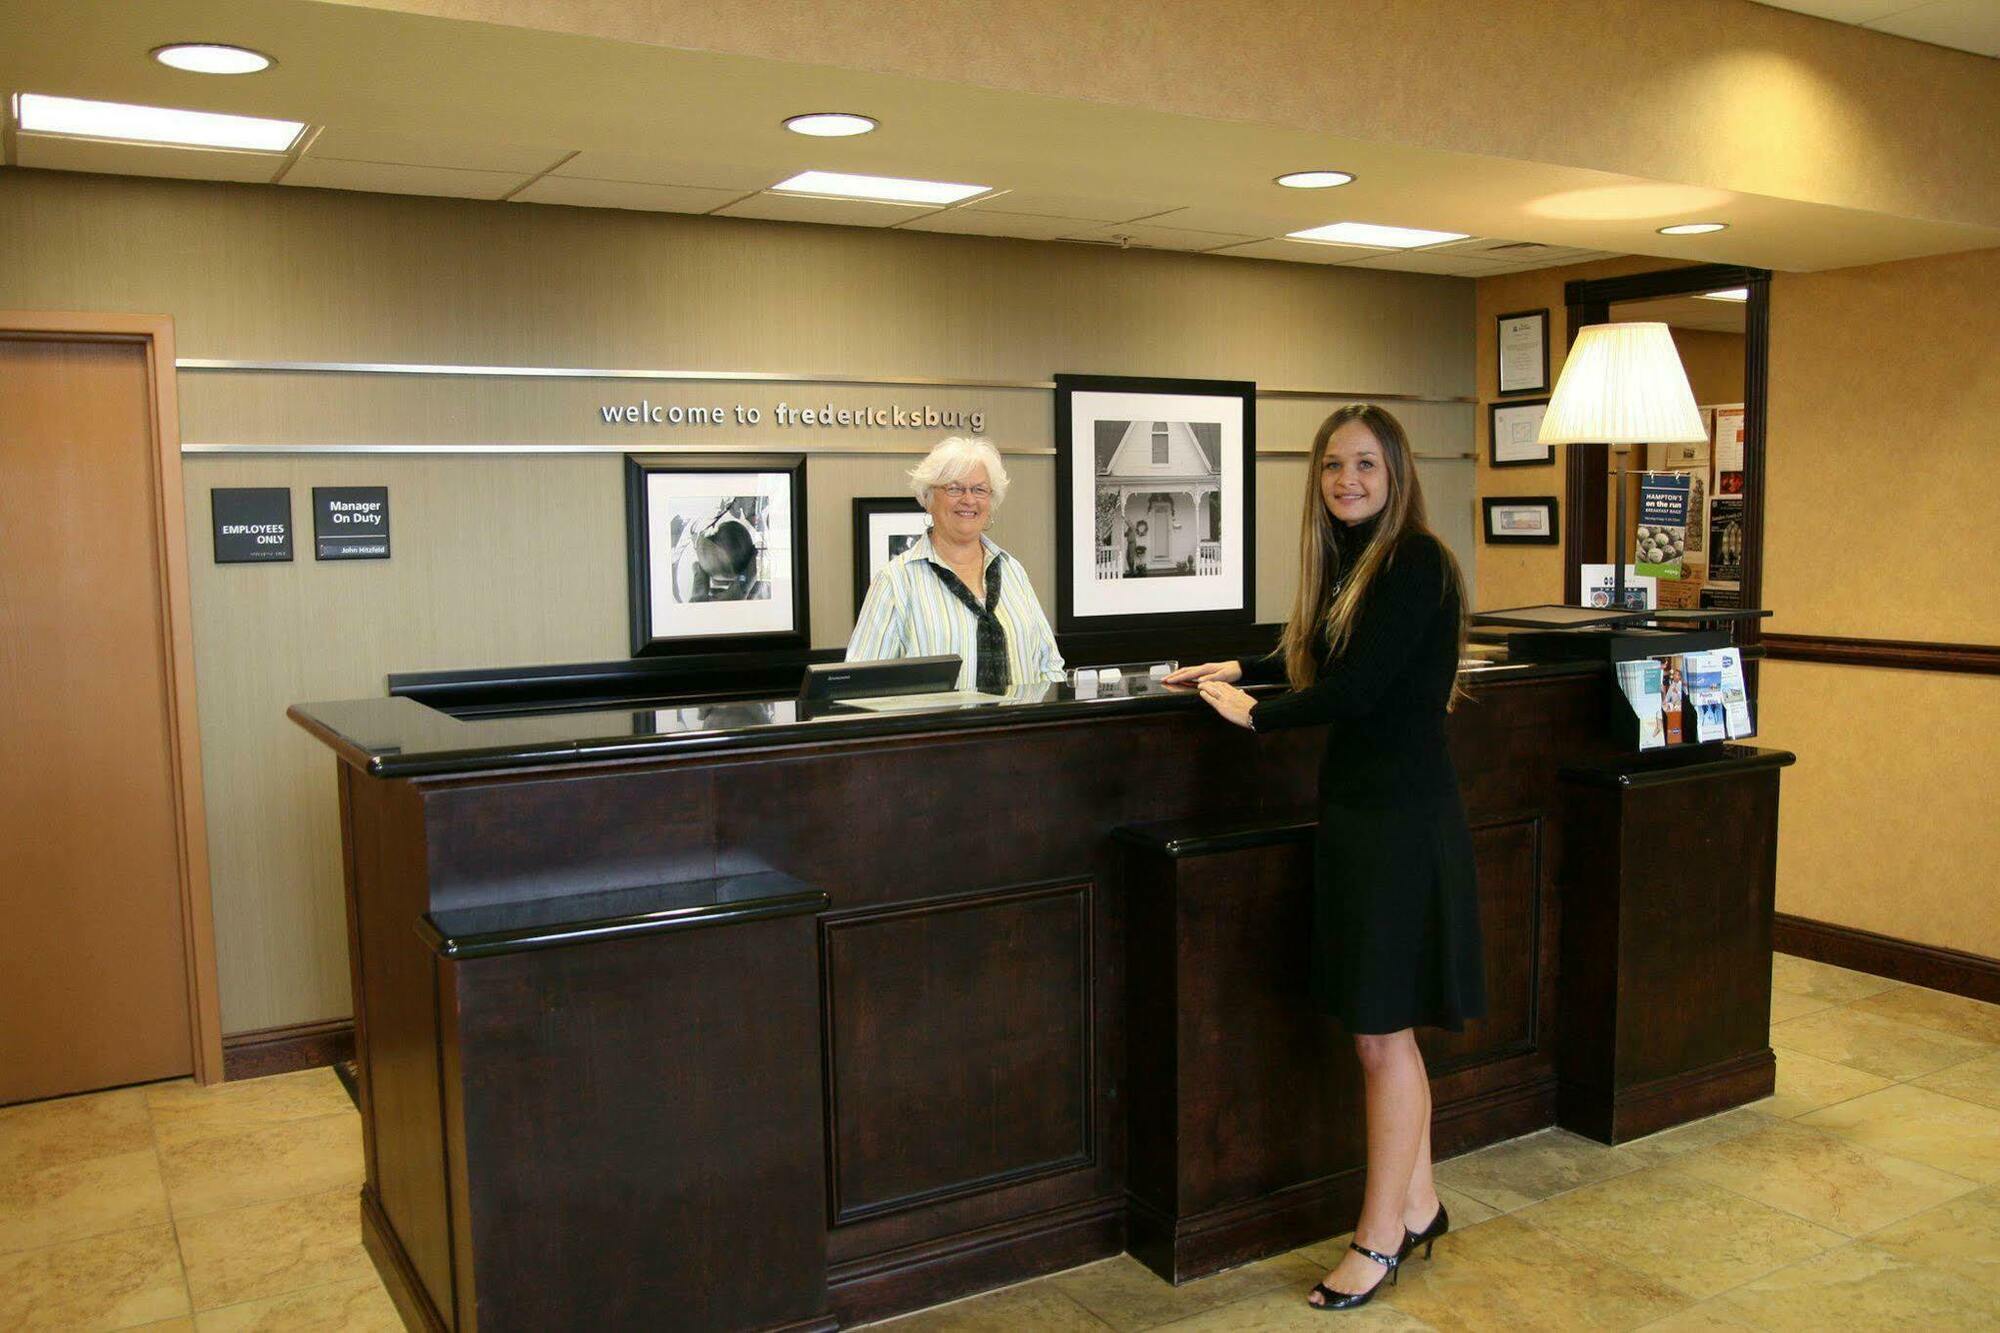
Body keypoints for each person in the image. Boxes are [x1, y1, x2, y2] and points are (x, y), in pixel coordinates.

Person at [1164, 403, 1484, 1312]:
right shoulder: (1351, 561)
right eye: (1335, 465)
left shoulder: (1418, 560)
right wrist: (1234, 668)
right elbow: (1312, 654)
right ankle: (1417, 1203)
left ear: (1398, 476)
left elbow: (1360, 687)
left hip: (1401, 823)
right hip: (1359, 816)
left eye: (1367, 466)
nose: (1348, 480)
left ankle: (1378, 1239)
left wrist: (1257, 712)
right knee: (1384, 1029)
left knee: (1381, 1035)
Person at [848, 437, 1065, 691]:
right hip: (938, 731)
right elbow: (861, 688)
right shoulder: (896, 581)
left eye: (979, 490)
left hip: (1024, 730)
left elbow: (1049, 665)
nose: (968, 500)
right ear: (928, 498)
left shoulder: (1012, 571)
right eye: (954, 488)